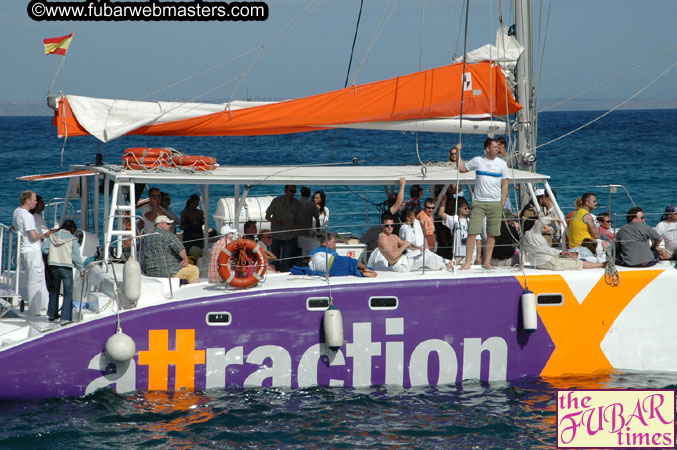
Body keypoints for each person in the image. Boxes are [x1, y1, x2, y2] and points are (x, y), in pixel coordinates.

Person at [457, 139, 509, 270]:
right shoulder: (478, 160)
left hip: (495, 203)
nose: (498, 149)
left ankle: (487, 262)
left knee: (492, 233)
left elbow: (505, 184)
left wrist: (502, 202)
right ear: (487, 149)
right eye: (495, 147)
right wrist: (458, 153)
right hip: (479, 202)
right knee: (472, 232)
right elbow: (462, 169)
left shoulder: (502, 164)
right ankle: (468, 262)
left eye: (498, 147)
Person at [12, 191, 50, 315]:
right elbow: (33, 236)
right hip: (32, 250)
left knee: (38, 278)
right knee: (35, 280)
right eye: (34, 200)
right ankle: (35, 310)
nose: (36, 202)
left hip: (26, 249)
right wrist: (42, 235)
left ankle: (44, 305)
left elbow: (13, 228)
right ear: (27, 201)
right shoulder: (28, 216)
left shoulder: (17, 212)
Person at [522, 216, 604, 270]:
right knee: (576, 263)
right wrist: (556, 219)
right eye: (537, 224)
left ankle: (600, 264)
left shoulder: (525, 237)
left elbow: (537, 250)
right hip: (546, 261)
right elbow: (542, 221)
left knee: (570, 258)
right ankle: (601, 265)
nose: (542, 226)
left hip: (539, 262)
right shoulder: (533, 232)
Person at [42, 220, 84, 322]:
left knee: (54, 291)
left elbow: (44, 249)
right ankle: (65, 318)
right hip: (66, 267)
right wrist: (81, 269)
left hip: (53, 266)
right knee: (68, 293)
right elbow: (76, 257)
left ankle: (52, 314)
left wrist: (52, 255)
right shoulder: (73, 239)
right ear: (72, 229)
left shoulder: (52, 237)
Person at [144, 215, 199, 283]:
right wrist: (185, 259)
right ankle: (191, 291)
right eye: (168, 223)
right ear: (160, 224)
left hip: (151, 273)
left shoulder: (147, 238)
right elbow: (181, 249)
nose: (170, 225)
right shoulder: (167, 235)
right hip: (168, 272)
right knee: (194, 270)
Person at [265, 185, 301, 272]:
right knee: (274, 256)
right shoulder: (276, 201)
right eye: (291, 191)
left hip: (289, 235)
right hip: (277, 234)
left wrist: (300, 230)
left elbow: (297, 219)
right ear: (285, 190)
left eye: (294, 192)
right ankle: (273, 272)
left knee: (287, 258)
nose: (292, 193)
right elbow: (267, 216)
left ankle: (284, 273)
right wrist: (277, 222)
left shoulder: (296, 203)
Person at [308, 233, 377, 277]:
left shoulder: (312, 252)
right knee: (351, 262)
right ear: (327, 242)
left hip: (329, 271)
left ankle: (362, 272)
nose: (335, 244)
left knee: (350, 270)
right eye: (334, 242)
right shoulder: (332, 252)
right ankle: (366, 268)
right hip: (333, 264)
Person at [438, 196, 482, 266]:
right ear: (459, 209)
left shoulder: (472, 222)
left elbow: (478, 240)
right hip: (458, 256)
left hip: (472, 256)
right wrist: (444, 200)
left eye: (468, 208)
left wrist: (479, 256)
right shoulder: (453, 220)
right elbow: (440, 213)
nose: (467, 210)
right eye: (465, 208)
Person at [297, 186, 320, 256]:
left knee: (295, 251)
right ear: (309, 195)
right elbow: (317, 218)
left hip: (295, 231)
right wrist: (318, 230)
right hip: (307, 231)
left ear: (300, 194)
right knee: (306, 251)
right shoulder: (312, 205)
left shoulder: (295, 203)